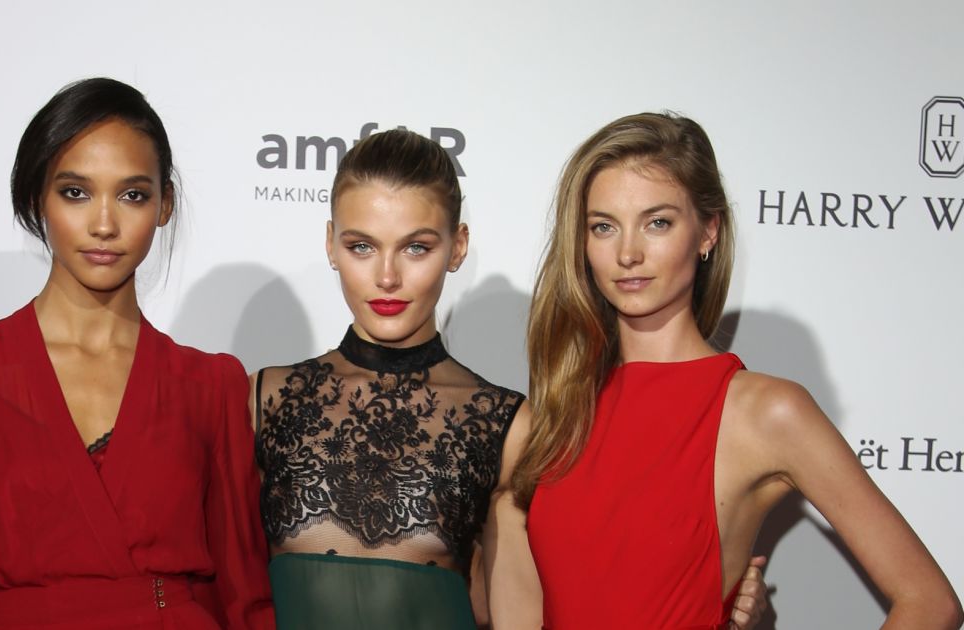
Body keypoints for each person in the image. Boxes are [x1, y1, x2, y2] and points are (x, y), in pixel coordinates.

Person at [251, 129, 767, 630]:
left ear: (457, 248)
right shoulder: (264, 398)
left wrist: (719, 600)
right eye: (362, 246)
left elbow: (535, 604)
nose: (387, 276)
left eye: (417, 248)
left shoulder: (507, 422)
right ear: (330, 244)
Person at [488, 112, 964, 629]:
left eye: (658, 223)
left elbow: (928, 602)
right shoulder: (553, 415)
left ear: (708, 231)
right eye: (603, 227)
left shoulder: (766, 412)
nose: (628, 253)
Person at [0, 78, 274, 630]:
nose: (105, 224)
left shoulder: (211, 385)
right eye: (76, 192)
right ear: (36, 198)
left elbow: (243, 595)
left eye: (133, 195)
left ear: (165, 206)